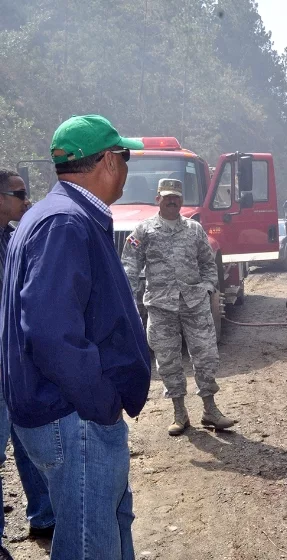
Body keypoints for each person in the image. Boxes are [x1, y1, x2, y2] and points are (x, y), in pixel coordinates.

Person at [1, 114, 152, 560]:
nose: (126, 167)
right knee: (89, 542)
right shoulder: (65, 222)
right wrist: (100, 402)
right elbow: (50, 332)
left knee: (108, 523)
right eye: (124, 156)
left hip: (68, 413)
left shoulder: (57, 215)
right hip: (73, 416)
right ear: (108, 160)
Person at [122, 178, 235, 437]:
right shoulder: (143, 230)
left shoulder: (195, 230)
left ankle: (210, 409)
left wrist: (208, 286)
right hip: (161, 305)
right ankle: (179, 413)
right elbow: (129, 264)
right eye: (167, 196)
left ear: (181, 201)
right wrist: (130, 297)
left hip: (194, 303)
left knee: (206, 355)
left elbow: (209, 262)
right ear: (158, 199)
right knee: (167, 360)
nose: (172, 200)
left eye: (176, 197)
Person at [0, 171, 55, 559]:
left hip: (13, 360)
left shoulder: (9, 236)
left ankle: (43, 515)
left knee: (27, 439)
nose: (25, 199)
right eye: (19, 194)